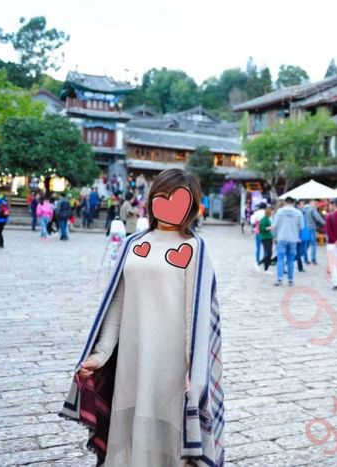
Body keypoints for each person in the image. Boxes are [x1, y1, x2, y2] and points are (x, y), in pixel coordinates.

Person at [62, 168, 224, 467]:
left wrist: (195, 371)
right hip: (131, 360)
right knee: (127, 431)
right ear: (151, 200)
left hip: (170, 364)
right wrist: (100, 354)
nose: (168, 204)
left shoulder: (194, 249)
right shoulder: (133, 244)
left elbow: (196, 315)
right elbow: (117, 304)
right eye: (162, 196)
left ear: (191, 206)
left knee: (167, 435)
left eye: (178, 199)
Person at [271, 197, 304, 286]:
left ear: (285, 202)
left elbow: (274, 225)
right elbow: (302, 227)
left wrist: (274, 236)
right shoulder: (298, 213)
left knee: (280, 259)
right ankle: (290, 280)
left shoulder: (280, 212)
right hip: (293, 239)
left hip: (281, 238)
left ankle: (279, 279)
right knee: (290, 260)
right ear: (293, 203)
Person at [302, 200, 325, 265]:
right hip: (312, 228)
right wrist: (325, 223)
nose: (316, 205)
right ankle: (313, 260)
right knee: (313, 245)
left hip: (305, 228)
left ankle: (305, 259)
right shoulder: (312, 208)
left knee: (306, 245)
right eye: (315, 203)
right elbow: (318, 218)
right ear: (311, 202)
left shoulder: (303, 208)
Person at [258, 207, 274, 272]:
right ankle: (261, 262)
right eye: (272, 212)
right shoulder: (264, 219)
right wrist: (269, 228)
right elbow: (261, 228)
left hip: (269, 237)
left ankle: (266, 267)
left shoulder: (268, 219)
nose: (273, 213)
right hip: (265, 238)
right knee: (268, 253)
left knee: (270, 253)